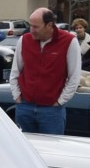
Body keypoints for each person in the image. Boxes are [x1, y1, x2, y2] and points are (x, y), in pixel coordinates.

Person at [10, 7, 81, 135]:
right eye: (30, 25)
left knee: (52, 151)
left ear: (49, 25)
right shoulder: (24, 40)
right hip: (24, 107)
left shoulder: (69, 41)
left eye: (36, 27)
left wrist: (59, 102)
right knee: (25, 151)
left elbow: (74, 76)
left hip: (51, 111)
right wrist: (17, 97)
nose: (32, 30)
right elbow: (15, 71)